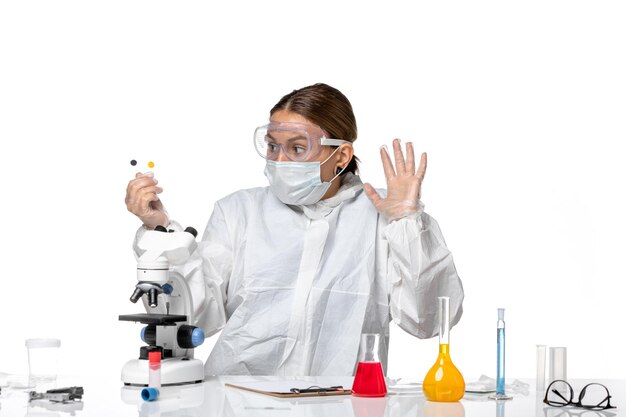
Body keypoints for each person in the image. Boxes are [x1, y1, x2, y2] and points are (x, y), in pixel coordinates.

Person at [125, 83, 464, 376]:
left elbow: (427, 321)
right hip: (238, 398)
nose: (280, 160)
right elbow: (196, 316)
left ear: (341, 155)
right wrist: (160, 229)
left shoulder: (382, 218)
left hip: (340, 402)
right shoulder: (239, 212)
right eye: (273, 146)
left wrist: (407, 222)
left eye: (297, 148)